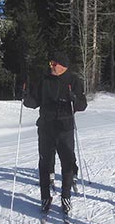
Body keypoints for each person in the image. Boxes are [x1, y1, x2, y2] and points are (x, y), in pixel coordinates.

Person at [24, 53, 87, 214]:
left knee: (67, 163)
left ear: (63, 65)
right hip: (46, 126)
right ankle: (45, 197)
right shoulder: (44, 79)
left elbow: (82, 104)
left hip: (65, 127)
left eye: (53, 63)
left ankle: (66, 196)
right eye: (50, 63)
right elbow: (34, 101)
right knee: (45, 163)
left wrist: (74, 100)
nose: (50, 66)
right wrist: (26, 98)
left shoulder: (74, 80)